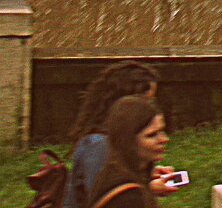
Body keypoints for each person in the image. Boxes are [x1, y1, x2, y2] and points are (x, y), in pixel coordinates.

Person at [64, 62, 165, 208]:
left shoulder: (108, 141)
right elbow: (106, 197)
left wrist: (147, 174)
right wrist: (147, 188)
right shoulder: (99, 145)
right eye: (146, 99)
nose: (149, 106)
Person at [85, 96, 176, 208]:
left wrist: (146, 182)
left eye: (162, 131)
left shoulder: (114, 170)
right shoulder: (128, 197)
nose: (164, 139)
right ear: (128, 141)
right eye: (151, 135)